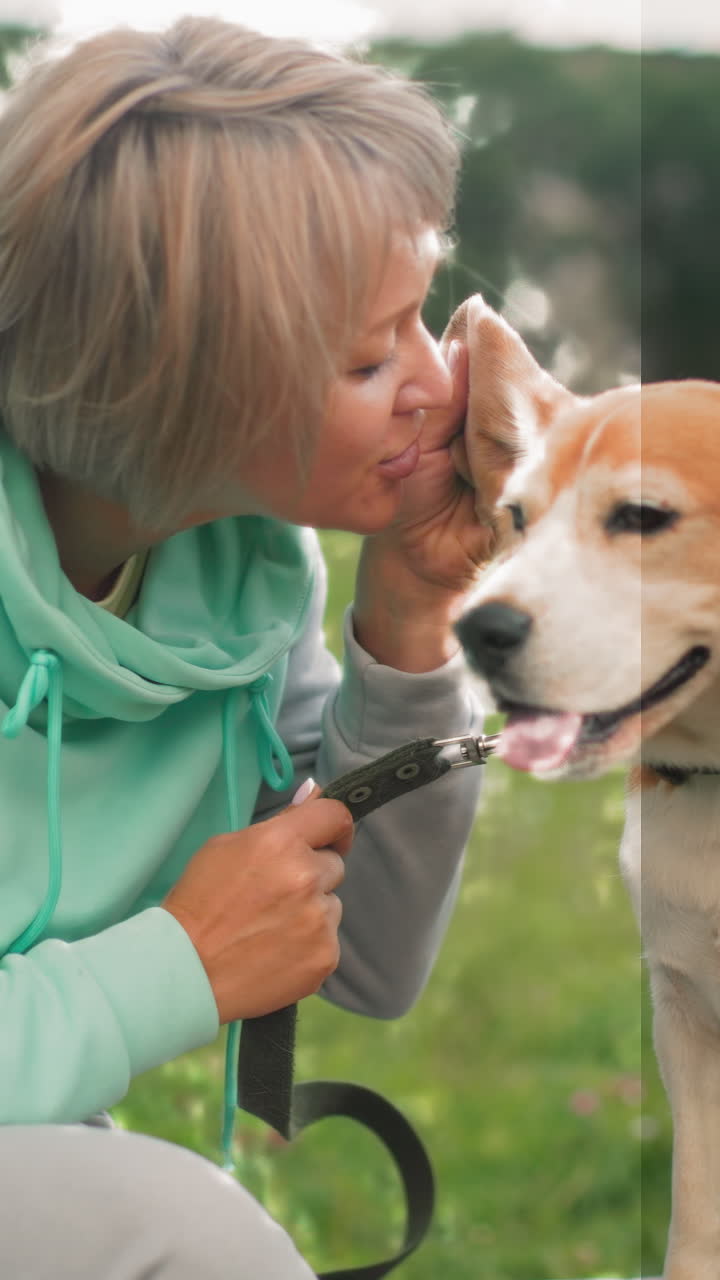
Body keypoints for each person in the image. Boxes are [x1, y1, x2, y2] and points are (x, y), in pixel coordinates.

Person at [0, 17, 494, 1279]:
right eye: (370, 353)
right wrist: (168, 965)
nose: (436, 383)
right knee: (185, 1233)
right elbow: (210, 954)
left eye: (421, 318)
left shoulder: (241, 584)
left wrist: (409, 623)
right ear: (179, 377)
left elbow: (363, 957)